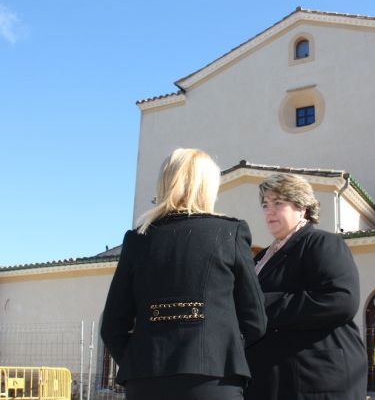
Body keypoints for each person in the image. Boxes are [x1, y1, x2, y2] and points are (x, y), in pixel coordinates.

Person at [101, 148, 267, 400]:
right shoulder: (229, 232)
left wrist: (140, 359)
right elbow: (255, 320)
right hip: (214, 378)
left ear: (165, 182)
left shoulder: (137, 239)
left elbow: (112, 325)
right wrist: (221, 349)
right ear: (208, 187)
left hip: (145, 379)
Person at [245, 173, 368, 400]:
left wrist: (259, 306)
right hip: (274, 380)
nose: (269, 211)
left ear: (302, 208)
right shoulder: (262, 257)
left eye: (278, 203)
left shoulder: (322, 243)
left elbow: (340, 300)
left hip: (315, 378)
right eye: (265, 205)